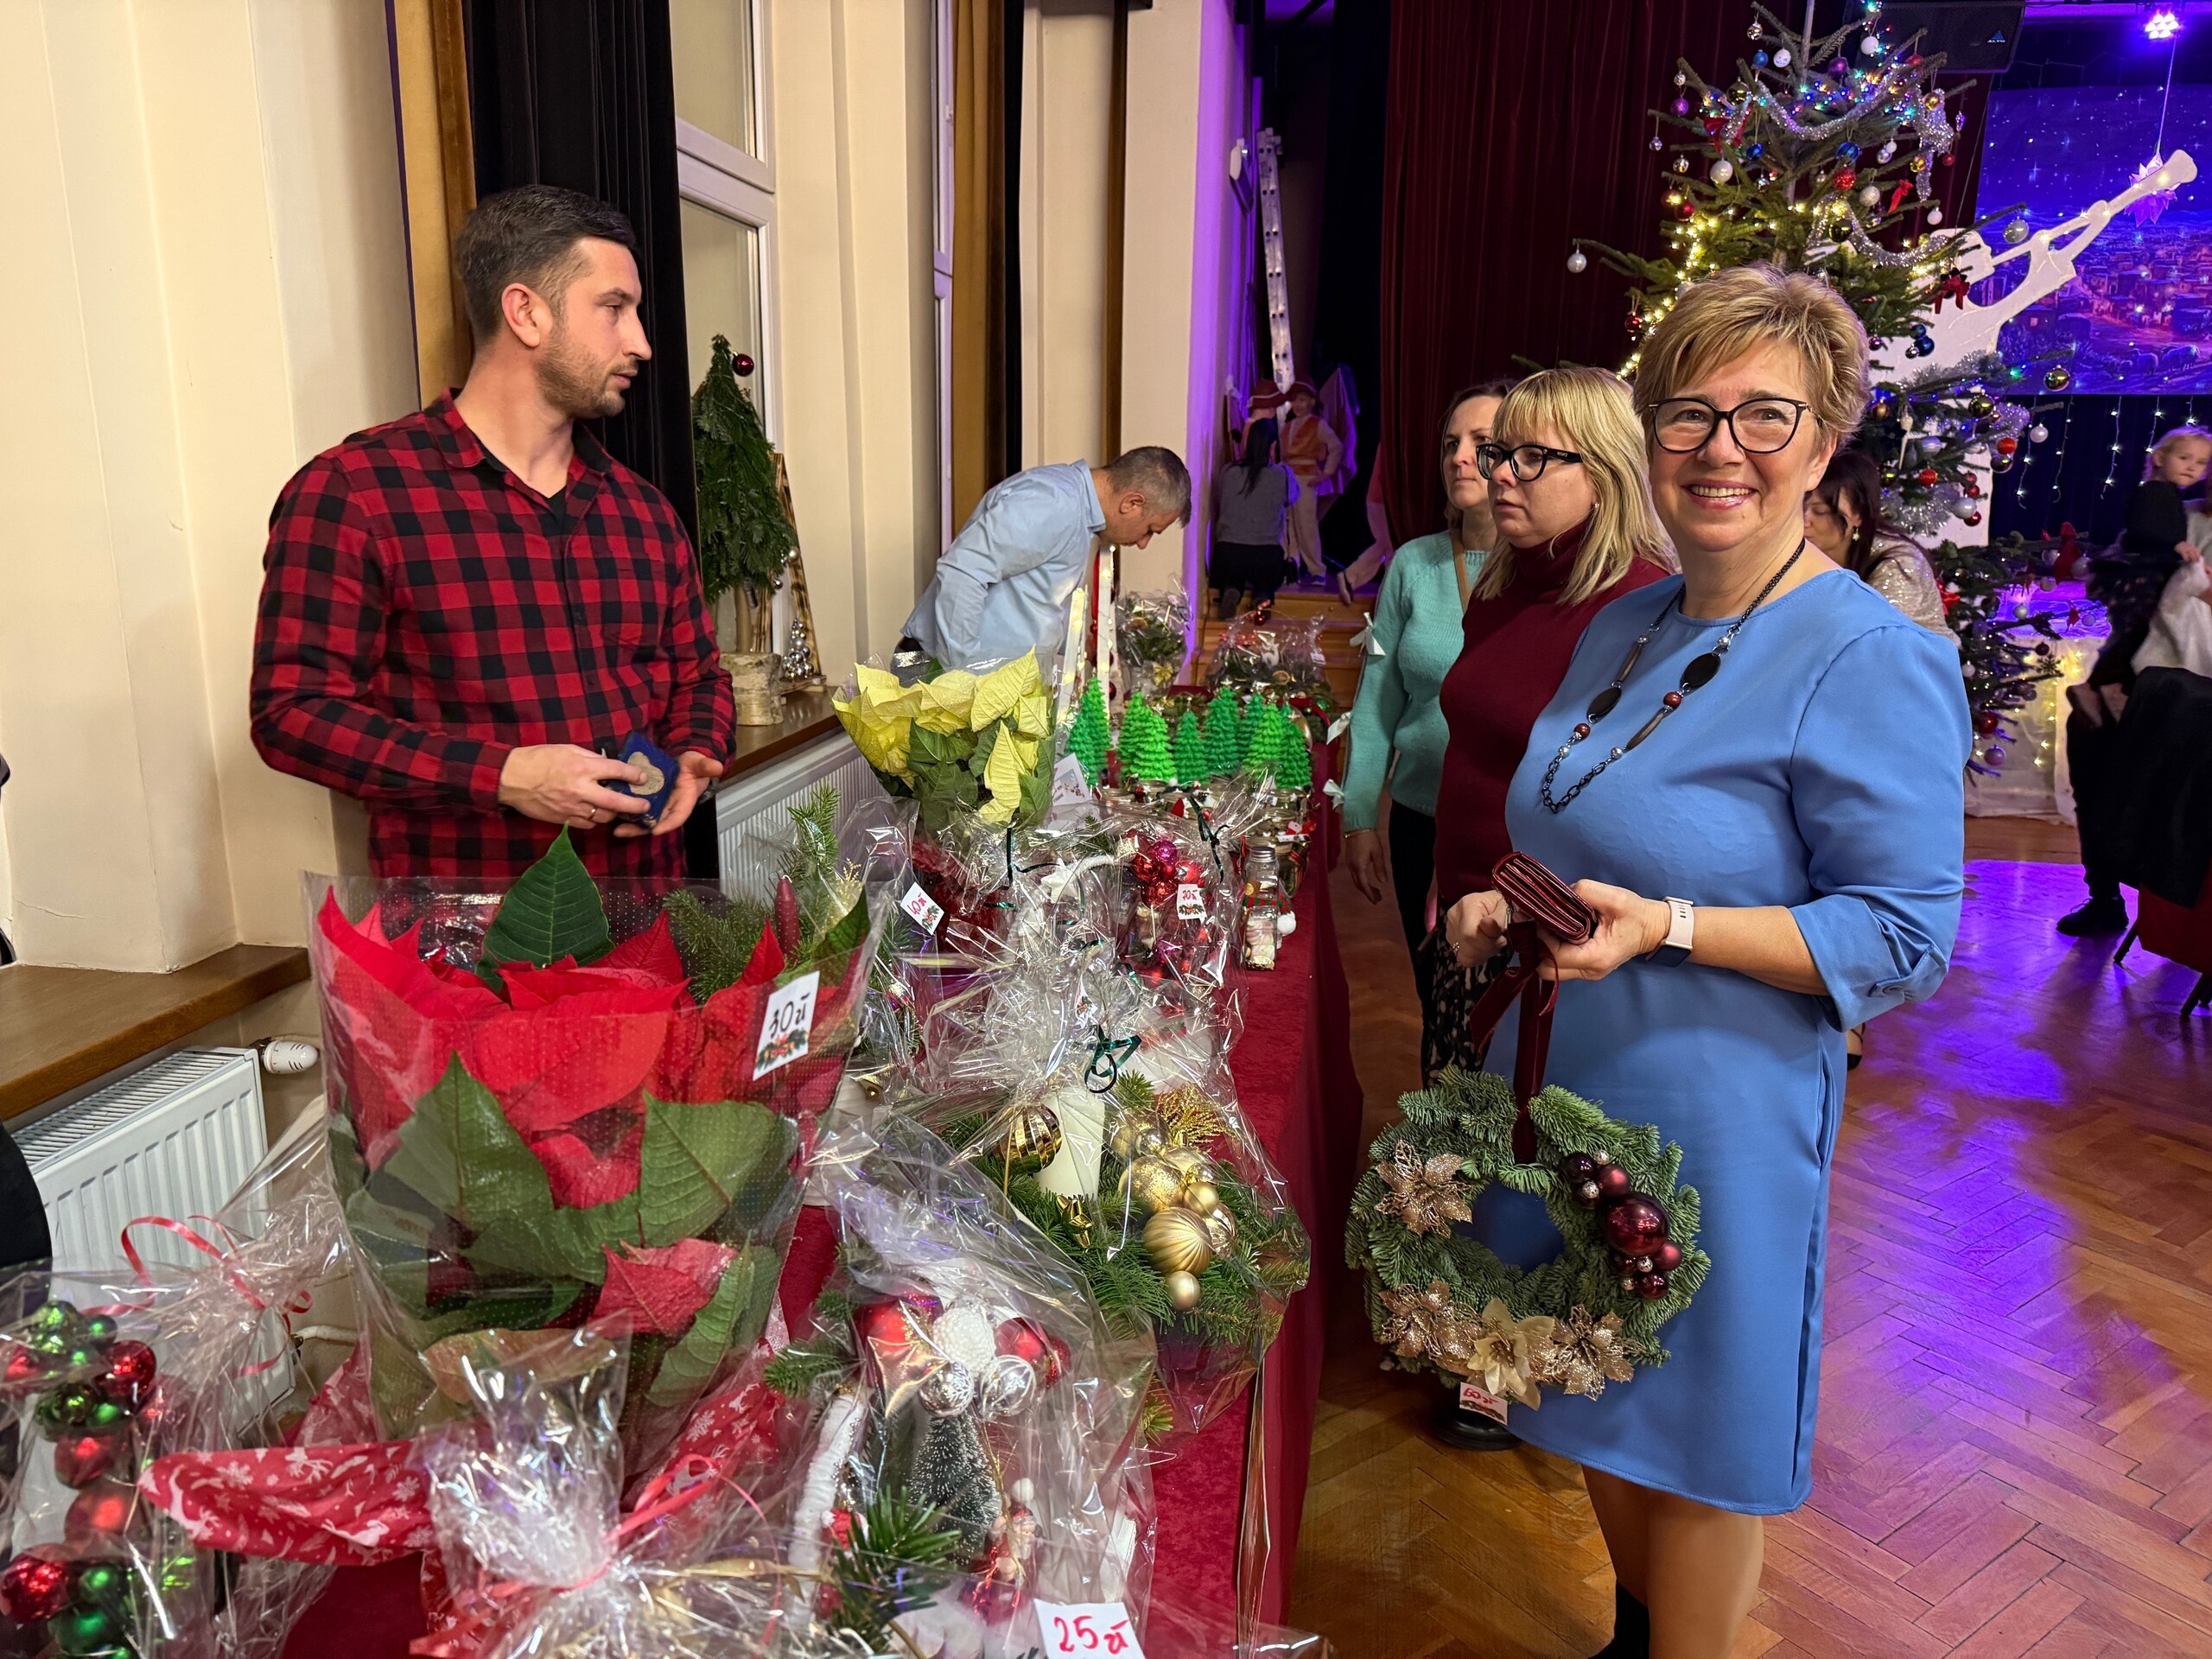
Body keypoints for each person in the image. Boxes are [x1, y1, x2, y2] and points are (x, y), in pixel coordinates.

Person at [1446, 264, 1967, 1659]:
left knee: (1691, 1435)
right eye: (1689, 413)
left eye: (1765, 415)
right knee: (1588, 1386)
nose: (1721, 448)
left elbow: (1905, 933)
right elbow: (1581, 817)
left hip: (1719, 1113)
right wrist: (1508, 905)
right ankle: (1635, 1634)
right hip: (1566, 1080)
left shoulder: (1868, 654)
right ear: (1651, 434)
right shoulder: (1629, 622)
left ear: (1824, 440)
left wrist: (1670, 927)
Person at [251, 185, 734, 880]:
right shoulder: (357, 493)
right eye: (614, 309)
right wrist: (503, 776)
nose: (641, 344)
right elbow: (293, 713)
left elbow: (699, 676)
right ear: (526, 312)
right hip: (468, 927)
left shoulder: (644, 513)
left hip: (645, 910)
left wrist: (694, 749)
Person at [1418, 366, 1672, 1456]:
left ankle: (1517, 1364)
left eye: (1531, 457)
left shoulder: (1643, 606)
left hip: (1545, 928)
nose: (1497, 473)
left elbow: (1627, 799)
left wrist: (1526, 907)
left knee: (1529, 1148)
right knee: (1461, 1130)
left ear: (1602, 472)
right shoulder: (1503, 579)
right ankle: (1460, 1330)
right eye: (1494, 452)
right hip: (1463, 906)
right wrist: (1447, 883)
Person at [1343, 378, 1518, 1020]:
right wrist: (1360, 816)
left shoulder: (1545, 570)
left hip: (1510, 832)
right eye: (1451, 444)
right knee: (1434, 998)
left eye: (1482, 443)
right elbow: (1376, 702)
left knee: (1497, 1009)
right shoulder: (1414, 566)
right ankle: (1435, 1090)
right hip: (1420, 819)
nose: (1459, 458)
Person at [2061, 424, 2212, 935]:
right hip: (2131, 663)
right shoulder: (2177, 513)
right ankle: (2103, 895)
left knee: (2169, 795)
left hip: (2193, 682)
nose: (2197, 470)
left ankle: (2174, 916)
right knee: (2093, 766)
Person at [899, 448, 1190, 671]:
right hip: (938, 675)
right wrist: (962, 678)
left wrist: (1079, 645)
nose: (1142, 543)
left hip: (980, 688)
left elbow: (1031, 601)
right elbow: (962, 572)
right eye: (1150, 530)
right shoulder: (1054, 503)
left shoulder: (1078, 513)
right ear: (1132, 503)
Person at [1803, 448, 1947, 632]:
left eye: (1820, 511)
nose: (1804, 520)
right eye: (1800, 507)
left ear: (1858, 515)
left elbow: (1871, 639)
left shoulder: (1898, 564)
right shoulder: (1806, 555)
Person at [1208, 417, 1300, 618]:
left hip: (1227, 554)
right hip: (1265, 556)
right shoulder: (1283, 474)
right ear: (1273, 446)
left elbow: (1221, 499)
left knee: (1231, 576)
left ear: (1247, 444)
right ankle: (1263, 595)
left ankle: (1231, 589)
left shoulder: (1228, 471)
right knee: (1267, 578)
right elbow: (1291, 499)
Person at [1281, 380, 1344, 579]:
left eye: (1302, 400)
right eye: (1294, 401)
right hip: (1288, 477)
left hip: (1306, 478)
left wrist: (1326, 473)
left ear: (1311, 401)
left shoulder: (1318, 424)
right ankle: (1292, 565)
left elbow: (1336, 447)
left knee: (1306, 524)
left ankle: (1316, 569)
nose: (1297, 405)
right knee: (1289, 525)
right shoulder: (1287, 426)